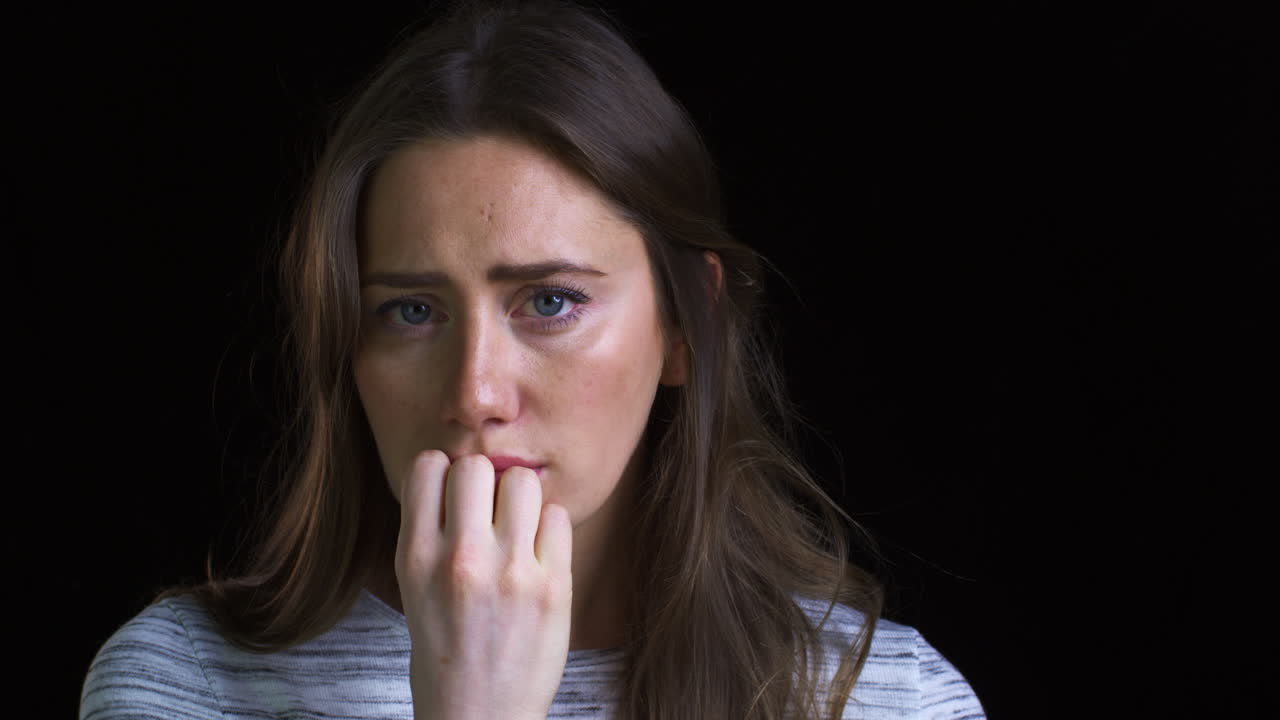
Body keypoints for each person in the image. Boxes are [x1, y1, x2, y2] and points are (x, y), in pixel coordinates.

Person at [79, 1, 986, 718]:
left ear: (685, 326)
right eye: (410, 310)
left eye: (550, 302)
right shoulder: (184, 687)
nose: (475, 392)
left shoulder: (880, 702)